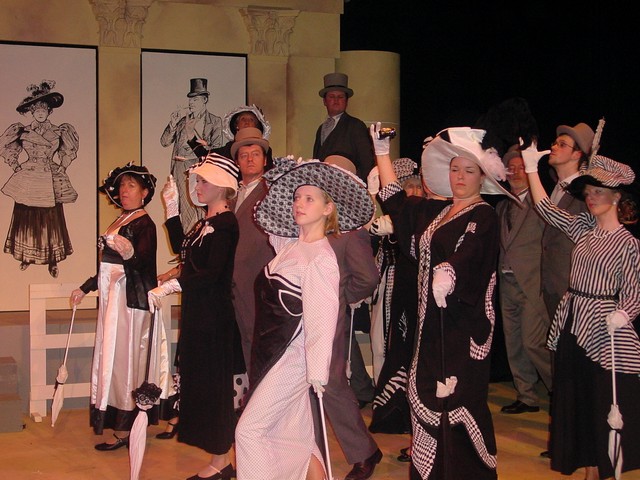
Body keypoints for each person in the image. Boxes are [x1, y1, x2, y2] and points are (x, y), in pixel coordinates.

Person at [371, 122, 519, 479]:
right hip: (430, 327)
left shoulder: (482, 215)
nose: (460, 177)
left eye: (469, 170)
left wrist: (450, 271)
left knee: (457, 402)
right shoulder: (436, 212)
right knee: (425, 397)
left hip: (461, 331)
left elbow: (471, 252)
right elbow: (397, 203)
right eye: (455, 169)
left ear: (482, 176)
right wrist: (382, 152)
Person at [235, 158, 375, 480]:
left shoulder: (320, 258)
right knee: (294, 435)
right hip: (272, 355)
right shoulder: (290, 247)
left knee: (249, 431)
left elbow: (322, 320)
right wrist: (276, 180)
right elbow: (270, 221)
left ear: (328, 208)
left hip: (292, 361)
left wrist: (317, 374)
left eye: (309, 198)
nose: (299, 203)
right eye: (297, 197)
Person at [522, 147, 640, 480]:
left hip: (604, 328)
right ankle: (589, 467)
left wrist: (623, 314)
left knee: (600, 398)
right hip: (572, 320)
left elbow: (634, 293)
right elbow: (547, 210)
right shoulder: (584, 229)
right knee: (576, 398)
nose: (591, 198)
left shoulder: (628, 243)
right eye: (588, 192)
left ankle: (604, 468)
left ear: (616, 196)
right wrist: (531, 169)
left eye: (599, 192)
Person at [147, 154, 241, 480]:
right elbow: (184, 250)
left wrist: (174, 285)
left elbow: (212, 272)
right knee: (201, 384)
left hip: (214, 319)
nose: (197, 186)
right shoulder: (205, 222)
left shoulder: (227, 224)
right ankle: (220, 459)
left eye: (203, 181)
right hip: (198, 314)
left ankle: (222, 461)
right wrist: (172, 210)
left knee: (214, 388)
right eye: (197, 180)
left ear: (222, 186)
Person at [70, 163, 169, 451]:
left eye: (131, 186)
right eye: (122, 186)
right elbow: (107, 268)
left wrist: (130, 254)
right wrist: (86, 287)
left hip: (130, 304)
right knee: (113, 361)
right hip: (114, 302)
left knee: (126, 363)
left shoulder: (145, 224)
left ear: (144, 192)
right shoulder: (121, 220)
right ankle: (121, 421)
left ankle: (125, 429)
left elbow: (144, 265)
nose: (124, 191)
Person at [1, 79, 78, 278]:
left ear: (49, 112)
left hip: (49, 178)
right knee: (26, 216)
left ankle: (52, 259)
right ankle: (26, 255)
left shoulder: (59, 131)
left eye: (44, 109)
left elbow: (68, 150)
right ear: (32, 112)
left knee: (50, 219)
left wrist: (63, 165)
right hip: (29, 176)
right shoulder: (22, 131)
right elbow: (6, 148)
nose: (41, 113)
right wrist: (15, 165)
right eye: (37, 110)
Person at [496, 148, 552, 414]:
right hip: (506, 283)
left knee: (533, 342)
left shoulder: (541, 204)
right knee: (514, 342)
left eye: (521, 167)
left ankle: (560, 391)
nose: (516, 172)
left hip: (532, 283)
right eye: (511, 167)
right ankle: (526, 395)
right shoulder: (501, 206)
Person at [229, 126, 275, 371]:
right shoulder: (229, 196)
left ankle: (265, 391)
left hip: (259, 279)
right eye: (244, 155)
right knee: (245, 339)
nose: (249, 159)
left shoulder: (273, 192)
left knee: (262, 340)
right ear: (237, 161)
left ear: (265, 159)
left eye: (255, 154)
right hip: (234, 283)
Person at [160, 78, 223, 233]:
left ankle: (202, 238)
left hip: (199, 169)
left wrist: (204, 145)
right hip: (179, 168)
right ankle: (186, 240)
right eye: (190, 99)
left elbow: (217, 150)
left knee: (201, 207)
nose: (191, 103)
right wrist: (173, 124)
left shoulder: (214, 121)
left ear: (204, 100)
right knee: (184, 208)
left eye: (195, 99)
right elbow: (164, 142)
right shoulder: (182, 121)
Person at [312, 72, 375, 182]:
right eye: (332, 96)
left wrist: (361, 186)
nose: (336, 100)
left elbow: (367, 163)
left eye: (340, 97)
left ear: (346, 101)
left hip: (349, 185)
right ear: (324, 101)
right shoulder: (321, 129)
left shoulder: (356, 126)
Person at [211, 104, 273, 171]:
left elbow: (268, 171)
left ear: (256, 126)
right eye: (243, 119)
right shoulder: (229, 148)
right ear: (236, 125)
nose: (247, 122)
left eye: (251, 120)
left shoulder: (264, 149)